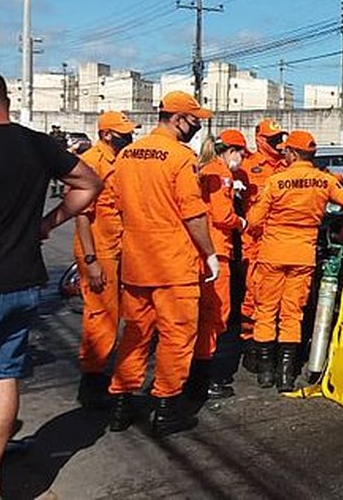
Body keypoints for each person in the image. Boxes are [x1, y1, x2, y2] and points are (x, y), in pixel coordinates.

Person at [0, 70, 101, 497]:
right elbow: (89, 183)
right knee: (3, 375)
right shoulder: (39, 144)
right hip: (23, 284)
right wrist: (47, 223)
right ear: (6, 101)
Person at [107, 91, 218, 438]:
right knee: (176, 336)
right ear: (179, 119)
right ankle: (166, 408)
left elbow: (115, 203)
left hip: (136, 262)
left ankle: (121, 405)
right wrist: (209, 253)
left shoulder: (126, 154)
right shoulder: (180, 157)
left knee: (135, 335)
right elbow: (193, 213)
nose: (197, 127)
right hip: (173, 264)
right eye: (195, 120)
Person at [246, 131, 343, 392]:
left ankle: (265, 373)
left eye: (286, 150)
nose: (283, 153)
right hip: (303, 255)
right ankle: (286, 377)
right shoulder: (324, 181)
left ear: (293, 153)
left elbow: (253, 220)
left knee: (266, 311)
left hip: (273, 253)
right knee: (292, 314)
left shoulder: (276, 181)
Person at [72, 110, 140, 409]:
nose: (130, 137)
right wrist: (91, 260)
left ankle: (98, 375)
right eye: (124, 133)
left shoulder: (119, 160)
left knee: (115, 317)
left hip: (117, 247)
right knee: (100, 318)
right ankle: (91, 382)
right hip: (99, 252)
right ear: (106, 134)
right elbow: (81, 214)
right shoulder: (91, 163)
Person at [187, 129, 249, 402]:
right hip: (217, 250)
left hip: (199, 249)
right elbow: (223, 216)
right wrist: (241, 222)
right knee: (216, 315)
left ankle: (194, 373)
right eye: (241, 154)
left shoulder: (204, 169)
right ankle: (207, 377)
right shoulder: (221, 174)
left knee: (200, 315)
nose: (242, 160)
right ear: (231, 151)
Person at [237, 119, 287, 371]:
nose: (279, 143)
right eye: (273, 139)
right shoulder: (247, 166)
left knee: (280, 298)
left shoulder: (287, 165)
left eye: (280, 138)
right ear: (260, 140)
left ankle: (270, 346)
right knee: (253, 296)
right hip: (254, 241)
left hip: (279, 241)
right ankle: (251, 346)